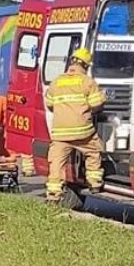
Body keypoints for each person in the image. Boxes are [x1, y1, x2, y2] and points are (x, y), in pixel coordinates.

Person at [45, 48, 105, 203]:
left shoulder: (56, 81)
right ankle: (94, 182)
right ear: (85, 65)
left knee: (57, 163)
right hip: (83, 133)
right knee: (94, 150)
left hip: (60, 133)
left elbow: (50, 104)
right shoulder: (87, 82)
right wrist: (103, 97)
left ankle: (53, 194)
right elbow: (96, 104)